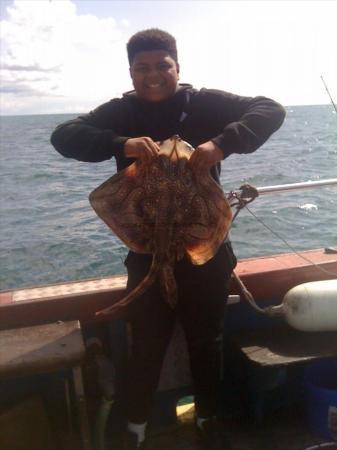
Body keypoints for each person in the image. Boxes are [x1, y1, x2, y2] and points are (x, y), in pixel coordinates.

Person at [51, 28, 285, 449]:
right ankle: (136, 426)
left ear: (178, 67)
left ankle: (208, 418)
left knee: (206, 340)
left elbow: (270, 109)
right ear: (131, 72)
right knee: (147, 340)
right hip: (147, 246)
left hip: (205, 247)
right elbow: (64, 135)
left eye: (163, 66)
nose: (153, 74)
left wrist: (220, 144)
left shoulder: (203, 103)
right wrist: (120, 144)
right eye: (143, 67)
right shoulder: (120, 111)